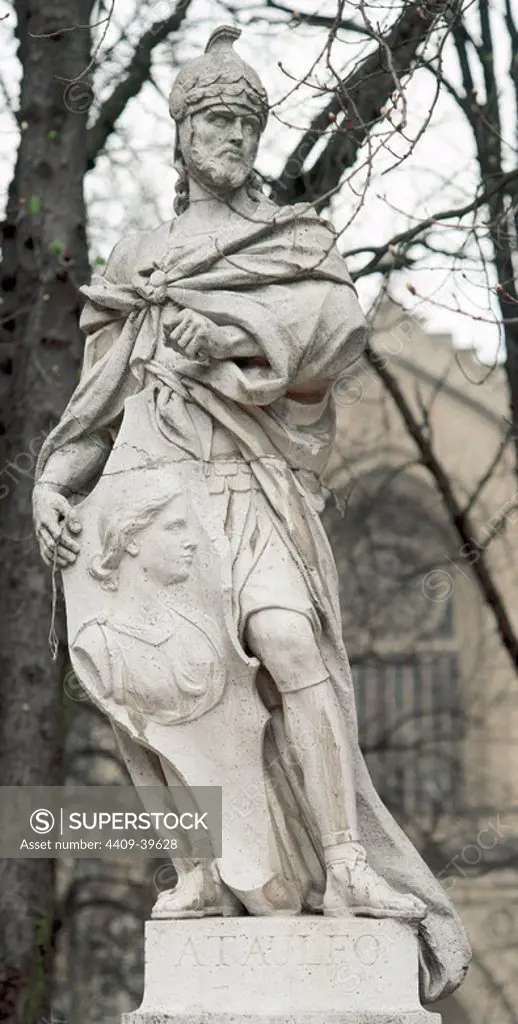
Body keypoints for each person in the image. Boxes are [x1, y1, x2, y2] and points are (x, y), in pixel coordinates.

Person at [33, 25, 470, 1001]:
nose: (230, 135)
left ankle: (347, 858)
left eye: (243, 120)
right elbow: (93, 407)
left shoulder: (288, 241)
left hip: (249, 492)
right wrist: (51, 486)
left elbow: (325, 341)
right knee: (148, 692)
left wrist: (225, 328)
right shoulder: (137, 260)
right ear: (182, 137)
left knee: (289, 643)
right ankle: (197, 865)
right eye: (214, 120)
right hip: (156, 518)